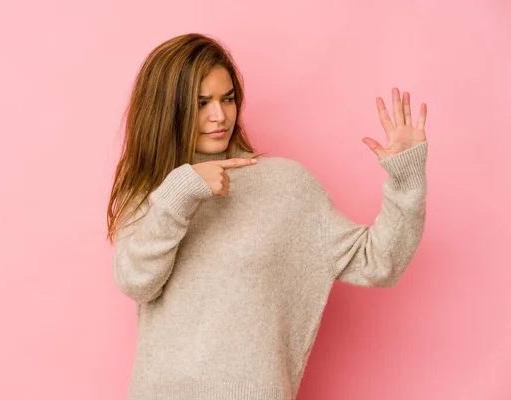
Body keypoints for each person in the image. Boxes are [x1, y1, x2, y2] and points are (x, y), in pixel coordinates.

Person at [107, 33, 428, 400]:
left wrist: (406, 179)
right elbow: (137, 282)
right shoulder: (155, 192)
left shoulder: (284, 185)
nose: (219, 116)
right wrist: (181, 192)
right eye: (201, 103)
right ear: (168, 108)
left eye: (227, 99)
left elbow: (378, 263)